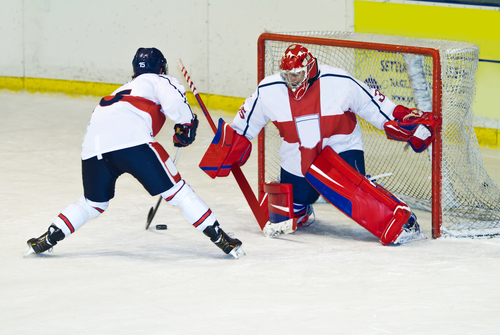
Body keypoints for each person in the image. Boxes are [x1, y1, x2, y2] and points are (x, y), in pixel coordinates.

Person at [25, 47, 244, 258]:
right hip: (134, 143)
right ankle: (220, 238)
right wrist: (186, 124)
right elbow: (175, 103)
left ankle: (48, 238)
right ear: (161, 68)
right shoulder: (160, 80)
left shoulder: (122, 89)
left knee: (92, 203)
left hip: (93, 147)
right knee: (179, 193)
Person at [223, 44, 439, 245]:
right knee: (292, 207)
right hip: (297, 154)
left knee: (348, 189)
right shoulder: (269, 89)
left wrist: (403, 121)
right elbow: (242, 125)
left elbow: (375, 104)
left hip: (340, 147)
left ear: (309, 69)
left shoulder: (339, 81)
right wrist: (228, 145)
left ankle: (398, 217)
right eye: (287, 75)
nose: (292, 80)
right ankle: (300, 206)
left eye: (296, 74)